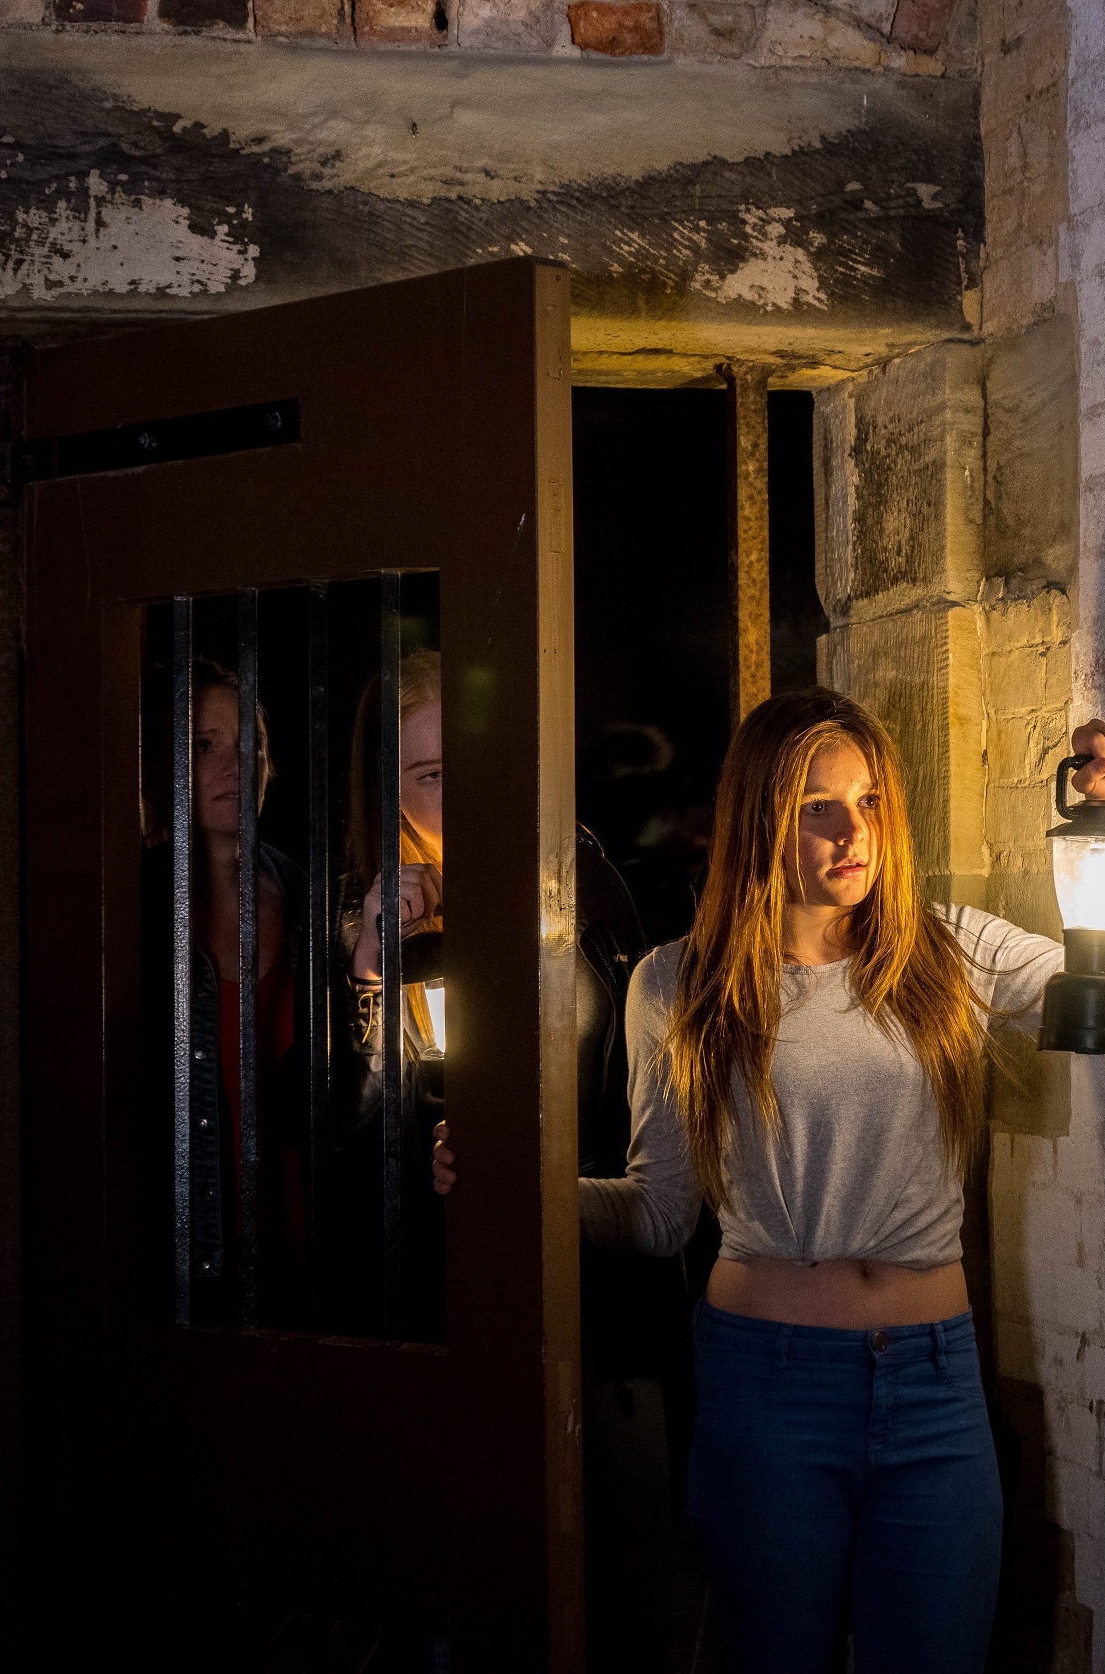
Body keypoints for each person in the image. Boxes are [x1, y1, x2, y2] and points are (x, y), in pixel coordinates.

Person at [435, 686, 1105, 1672]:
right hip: (768, 1384)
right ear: (758, 821)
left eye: (867, 801)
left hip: (935, 1381)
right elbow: (658, 1214)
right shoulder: (679, 981)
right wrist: (516, 1187)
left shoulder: (946, 949)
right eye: (815, 807)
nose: (852, 831)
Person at [347, 649, 695, 1657]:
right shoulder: (368, 915)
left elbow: (641, 1084)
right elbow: (349, 1142)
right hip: (443, 1311)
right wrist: (371, 972)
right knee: (468, 1606)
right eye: (428, 775)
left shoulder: (579, 875)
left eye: (470, 761)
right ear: (387, 789)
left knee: (623, 1602)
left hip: (596, 1298)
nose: (460, 794)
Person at [142, 657, 305, 1314]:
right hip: (179, 1264)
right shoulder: (134, 904)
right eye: (204, 745)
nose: (234, 765)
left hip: (295, 1254)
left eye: (249, 744)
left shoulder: (303, 894)